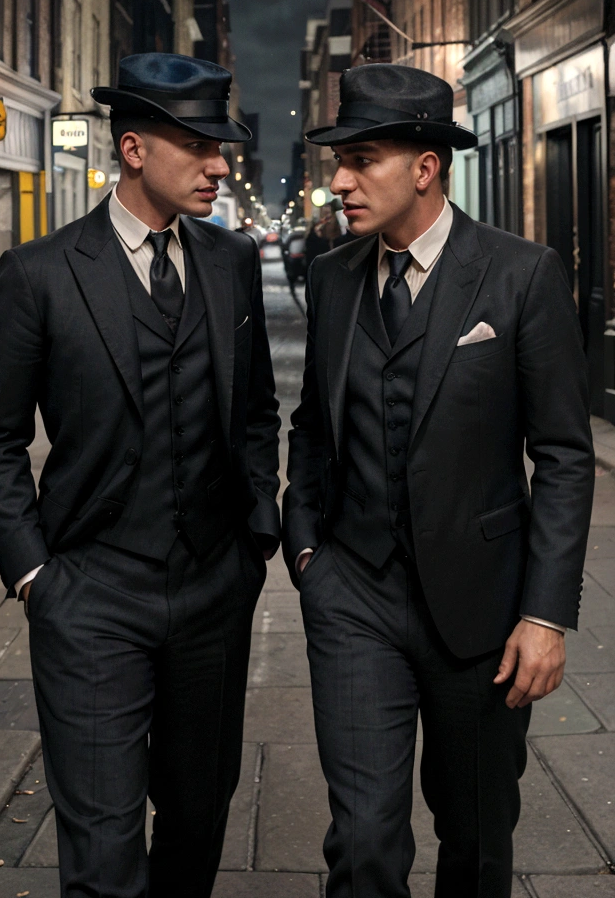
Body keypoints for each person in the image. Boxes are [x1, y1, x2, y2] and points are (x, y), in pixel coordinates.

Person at [0, 53, 281, 898]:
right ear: (134, 149)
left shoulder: (230, 262)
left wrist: (255, 538)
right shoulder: (39, 275)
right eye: (200, 145)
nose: (220, 164)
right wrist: (34, 575)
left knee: (197, 816)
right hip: (91, 595)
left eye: (224, 147)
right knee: (102, 851)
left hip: (214, 590)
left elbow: (255, 412)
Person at [283, 63, 594, 898]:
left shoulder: (520, 275)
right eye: (339, 160)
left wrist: (544, 613)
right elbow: (313, 423)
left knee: (478, 844)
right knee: (364, 844)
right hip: (352, 597)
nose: (341, 180)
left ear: (425, 167)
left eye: (365, 159)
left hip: (484, 613)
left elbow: (563, 453)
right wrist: (307, 547)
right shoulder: (332, 277)